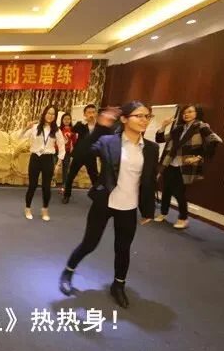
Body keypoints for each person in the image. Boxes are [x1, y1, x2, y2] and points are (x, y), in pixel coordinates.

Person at [59, 103, 159, 308]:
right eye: (139, 116)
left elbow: (149, 180)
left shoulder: (151, 148)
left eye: (147, 116)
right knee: (90, 243)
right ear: (124, 119)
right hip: (105, 202)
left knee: (123, 248)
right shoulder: (109, 141)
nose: (144, 120)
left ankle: (118, 286)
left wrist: (148, 209)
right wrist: (100, 128)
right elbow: (80, 154)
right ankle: (68, 271)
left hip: (129, 206)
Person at [154, 104, 223, 229]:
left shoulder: (201, 126)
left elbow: (215, 140)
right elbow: (160, 139)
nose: (186, 114)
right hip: (170, 163)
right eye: (185, 112)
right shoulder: (179, 128)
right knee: (166, 189)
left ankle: (183, 218)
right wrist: (163, 126)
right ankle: (163, 213)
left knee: (179, 192)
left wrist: (198, 157)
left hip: (185, 165)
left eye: (190, 111)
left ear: (197, 113)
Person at [21, 105, 65, 221]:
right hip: (35, 158)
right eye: (48, 113)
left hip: (48, 159)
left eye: (53, 114)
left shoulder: (57, 130)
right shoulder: (35, 127)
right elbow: (21, 137)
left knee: (46, 187)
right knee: (32, 185)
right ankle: (27, 208)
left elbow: (62, 148)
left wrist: (58, 164)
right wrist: (26, 128)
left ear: (55, 116)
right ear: (44, 113)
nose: (50, 116)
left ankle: (45, 209)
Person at [62, 104, 100, 204]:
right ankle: (66, 195)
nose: (91, 114)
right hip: (79, 155)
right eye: (89, 112)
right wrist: (83, 122)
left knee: (95, 178)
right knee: (70, 176)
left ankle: (98, 198)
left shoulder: (99, 126)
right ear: (85, 114)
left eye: (93, 112)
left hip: (91, 156)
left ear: (96, 113)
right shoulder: (81, 124)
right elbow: (73, 130)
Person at [58, 113, 78, 194]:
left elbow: (75, 142)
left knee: (65, 169)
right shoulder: (58, 129)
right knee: (53, 167)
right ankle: (51, 182)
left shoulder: (73, 130)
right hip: (57, 151)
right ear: (62, 120)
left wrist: (74, 152)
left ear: (70, 120)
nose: (66, 121)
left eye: (68, 119)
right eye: (65, 119)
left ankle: (64, 186)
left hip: (67, 152)